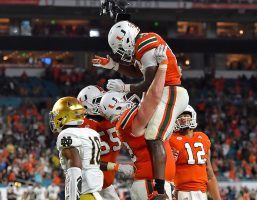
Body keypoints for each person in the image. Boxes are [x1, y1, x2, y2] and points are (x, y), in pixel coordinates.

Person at [92, 20, 189, 197]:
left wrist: (124, 87)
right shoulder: (142, 45)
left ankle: (159, 189)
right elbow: (142, 74)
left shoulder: (146, 42)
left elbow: (149, 81)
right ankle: (161, 187)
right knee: (156, 135)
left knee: (154, 135)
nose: (121, 54)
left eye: (120, 47)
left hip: (169, 90)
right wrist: (114, 66)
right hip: (162, 91)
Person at [100, 45, 174, 200]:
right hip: (150, 182)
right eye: (123, 98)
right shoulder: (127, 120)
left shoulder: (122, 123)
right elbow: (152, 98)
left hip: (148, 180)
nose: (128, 100)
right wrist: (162, 68)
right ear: (116, 104)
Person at [77, 85, 134, 200]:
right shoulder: (83, 126)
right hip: (88, 184)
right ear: (86, 105)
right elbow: (86, 161)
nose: (102, 102)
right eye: (98, 100)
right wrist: (118, 167)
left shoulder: (112, 118)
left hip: (106, 185)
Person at [49, 97, 103, 200]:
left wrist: (73, 198)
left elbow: (75, 168)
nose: (54, 118)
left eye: (56, 115)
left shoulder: (67, 134)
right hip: (95, 195)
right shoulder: (91, 133)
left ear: (65, 115)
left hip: (82, 195)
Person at [169, 105, 221, 200]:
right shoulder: (171, 139)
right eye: (180, 116)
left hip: (202, 193)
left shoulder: (203, 138)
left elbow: (209, 172)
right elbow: (166, 171)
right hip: (182, 192)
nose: (184, 118)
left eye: (186, 115)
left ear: (193, 116)